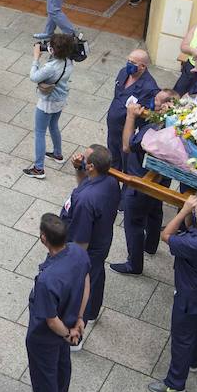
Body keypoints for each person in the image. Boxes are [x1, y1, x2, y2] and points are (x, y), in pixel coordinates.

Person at [15, 213, 89, 392]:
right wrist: (79, 321)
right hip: (71, 321)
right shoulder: (78, 252)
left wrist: (68, 333)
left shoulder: (48, 280)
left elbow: (50, 320)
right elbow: (86, 283)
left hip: (46, 335)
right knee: (63, 362)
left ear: (43, 238)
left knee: (44, 374)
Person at [148, 196, 197, 392]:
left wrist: (184, 211)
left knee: (181, 337)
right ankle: (194, 360)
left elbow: (166, 235)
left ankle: (175, 383)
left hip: (188, 294)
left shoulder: (195, 244)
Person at [62, 146, 120, 340]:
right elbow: (83, 184)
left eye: (84, 158)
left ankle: (76, 335)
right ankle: (94, 311)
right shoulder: (110, 181)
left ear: (92, 166)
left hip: (88, 248)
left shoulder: (87, 200)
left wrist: (73, 264)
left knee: (81, 288)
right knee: (97, 275)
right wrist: (80, 169)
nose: (80, 157)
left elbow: (81, 240)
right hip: (102, 241)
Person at [112, 93, 172, 275]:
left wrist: (130, 116)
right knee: (155, 210)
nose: (155, 104)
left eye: (160, 103)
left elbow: (126, 146)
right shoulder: (172, 128)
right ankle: (151, 245)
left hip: (139, 182)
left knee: (134, 224)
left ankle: (134, 264)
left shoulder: (152, 132)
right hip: (161, 180)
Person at [24, 34, 76, 178]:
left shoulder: (51, 67)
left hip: (48, 102)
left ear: (53, 50)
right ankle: (57, 154)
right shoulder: (69, 61)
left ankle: (39, 168)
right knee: (53, 125)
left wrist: (36, 58)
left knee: (40, 132)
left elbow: (34, 77)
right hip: (60, 99)